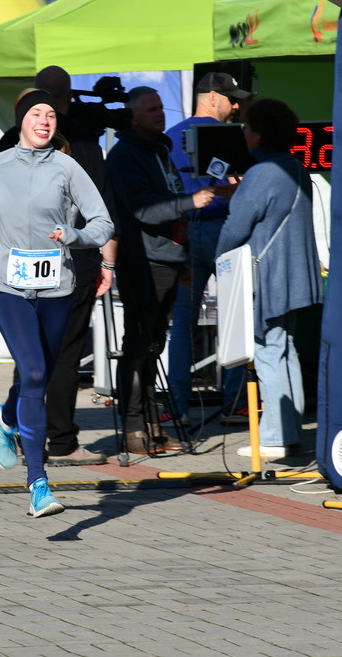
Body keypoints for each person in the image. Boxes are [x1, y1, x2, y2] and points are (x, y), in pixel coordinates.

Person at [0, 89, 113, 517]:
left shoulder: (68, 168)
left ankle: (5, 418)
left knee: (37, 375)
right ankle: (39, 484)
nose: (45, 120)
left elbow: (103, 222)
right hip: (7, 286)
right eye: (36, 113)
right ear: (21, 120)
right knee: (37, 372)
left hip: (57, 288)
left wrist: (75, 237)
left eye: (51, 115)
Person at [0, 67, 119, 467]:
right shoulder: (82, 142)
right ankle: (60, 440)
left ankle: (19, 429)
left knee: (30, 356)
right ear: (67, 98)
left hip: (19, 260)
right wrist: (108, 263)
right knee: (63, 355)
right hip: (72, 263)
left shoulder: (6, 142)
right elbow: (104, 208)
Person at [105, 86, 214, 454]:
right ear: (132, 116)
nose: (160, 114)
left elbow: (170, 207)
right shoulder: (124, 156)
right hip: (142, 260)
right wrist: (190, 200)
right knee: (137, 345)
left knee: (154, 344)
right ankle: (133, 427)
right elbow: (143, 210)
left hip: (169, 257)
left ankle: (152, 424)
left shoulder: (162, 150)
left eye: (160, 108)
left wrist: (183, 260)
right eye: (151, 109)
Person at [215, 98, 324, 460]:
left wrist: (221, 260)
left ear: (259, 134)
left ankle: (275, 437)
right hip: (296, 276)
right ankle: (288, 433)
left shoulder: (262, 173)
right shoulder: (296, 167)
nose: (244, 134)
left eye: (247, 127)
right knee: (284, 348)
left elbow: (236, 227)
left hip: (270, 276)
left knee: (268, 351)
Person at [164, 72, 250, 428]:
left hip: (185, 234)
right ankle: (235, 404)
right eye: (231, 98)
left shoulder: (169, 137)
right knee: (235, 319)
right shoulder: (232, 137)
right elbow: (243, 185)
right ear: (212, 97)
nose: (236, 105)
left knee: (183, 325)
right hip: (225, 234)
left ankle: (177, 405)